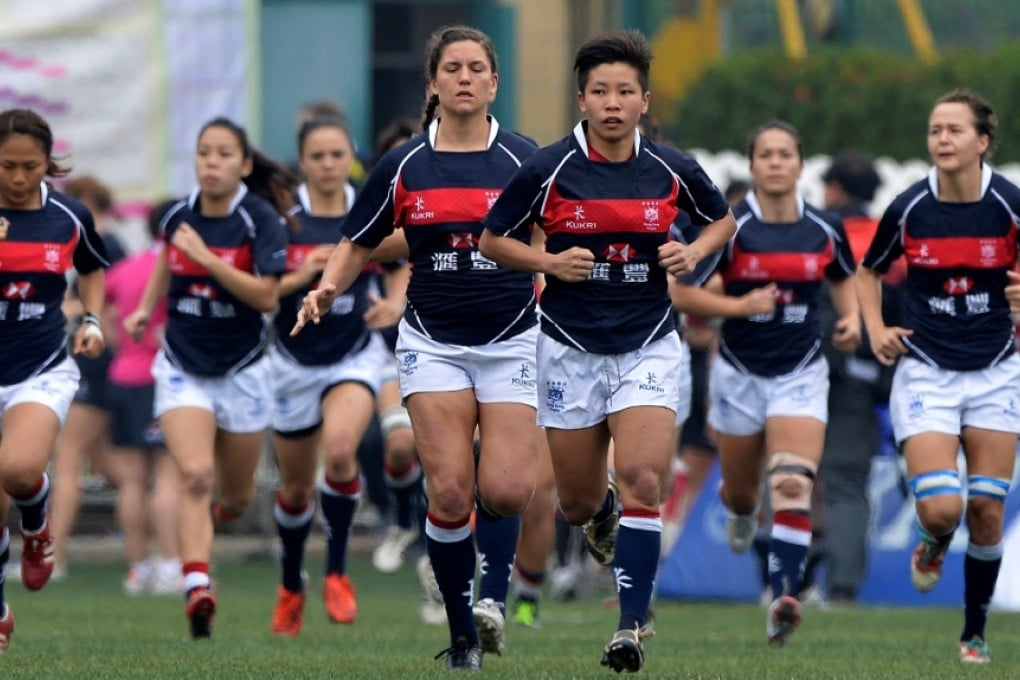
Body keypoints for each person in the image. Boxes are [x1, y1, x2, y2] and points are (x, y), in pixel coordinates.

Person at [479, 31, 736, 672]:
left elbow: (723, 219)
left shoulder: (672, 167)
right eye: (600, 91)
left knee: (646, 475)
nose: (613, 102)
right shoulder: (547, 167)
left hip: (648, 342)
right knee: (575, 502)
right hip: (567, 347)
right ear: (582, 100)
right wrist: (548, 261)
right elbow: (491, 240)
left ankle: (629, 627)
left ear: (644, 100)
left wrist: (694, 253)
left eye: (625, 91)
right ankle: (605, 516)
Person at [293, 25, 539, 670]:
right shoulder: (404, 163)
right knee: (452, 493)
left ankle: (494, 601)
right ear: (432, 84)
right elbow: (360, 239)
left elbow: (556, 229)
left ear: (494, 82)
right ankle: (464, 636)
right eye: (451, 68)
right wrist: (325, 289)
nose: (463, 77)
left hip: (514, 339)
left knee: (508, 491)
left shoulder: (523, 159)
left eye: (475, 68)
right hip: (432, 343)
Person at [674, 120, 859, 646]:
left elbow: (843, 276)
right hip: (738, 375)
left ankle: (783, 597)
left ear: (801, 165)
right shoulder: (729, 227)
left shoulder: (824, 228)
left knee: (793, 483)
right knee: (740, 494)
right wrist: (737, 305)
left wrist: (849, 321)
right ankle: (740, 513)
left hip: (801, 372)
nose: (776, 163)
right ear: (752, 166)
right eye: (766, 155)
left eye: (785, 154)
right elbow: (681, 294)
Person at [860, 89, 1020, 665]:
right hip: (927, 372)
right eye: (935, 130)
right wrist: (875, 326)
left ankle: (973, 631)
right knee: (944, 510)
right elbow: (868, 270)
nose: (943, 140)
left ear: (983, 142)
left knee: (987, 512)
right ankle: (932, 539)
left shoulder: (1009, 204)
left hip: (998, 372)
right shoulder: (909, 207)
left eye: (955, 130)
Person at [124, 117, 290, 639]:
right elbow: (166, 266)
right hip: (181, 365)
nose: (211, 163)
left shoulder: (258, 218)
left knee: (235, 500)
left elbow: (267, 297)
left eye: (223, 154)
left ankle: (207, 532)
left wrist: (208, 261)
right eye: (203, 153)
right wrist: (144, 310)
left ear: (243, 164)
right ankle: (197, 584)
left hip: (242, 370)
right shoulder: (179, 214)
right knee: (195, 474)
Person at [268, 115, 408, 635]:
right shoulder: (284, 217)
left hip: (354, 354)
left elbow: (398, 261)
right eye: (317, 157)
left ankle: (337, 573)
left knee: (343, 452)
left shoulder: (368, 201)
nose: (328, 165)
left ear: (350, 155)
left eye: (337, 155)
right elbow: (263, 288)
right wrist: (303, 277)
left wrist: (395, 303)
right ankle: (290, 583)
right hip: (292, 360)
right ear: (302, 161)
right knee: (297, 489)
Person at [0, 108, 110, 652]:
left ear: (49, 163)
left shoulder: (69, 216)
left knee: (19, 472)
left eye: (31, 166)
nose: (19, 179)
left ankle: (37, 525)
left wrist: (90, 319)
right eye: (7, 167)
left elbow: (91, 269)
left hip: (39, 366)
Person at [816, 150, 898, 603]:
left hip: (802, 366)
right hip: (864, 376)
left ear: (833, 189)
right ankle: (842, 588)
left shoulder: (817, 229)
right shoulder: (890, 237)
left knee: (789, 470)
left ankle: (788, 579)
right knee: (847, 483)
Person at [47, 175, 127, 580]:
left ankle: (53, 555)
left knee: (67, 457)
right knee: (111, 464)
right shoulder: (109, 243)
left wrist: (64, 307)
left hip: (96, 363)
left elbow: (112, 305)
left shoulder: (106, 245)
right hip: (102, 363)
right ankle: (160, 530)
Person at [104, 199, 182, 596]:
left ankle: (139, 568)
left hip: (121, 377)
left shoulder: (123, 269)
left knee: (132, 482)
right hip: (160, 379)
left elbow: (96, 308)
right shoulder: (174, 269)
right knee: (168, 478)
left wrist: (121, 343)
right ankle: (171, 565)